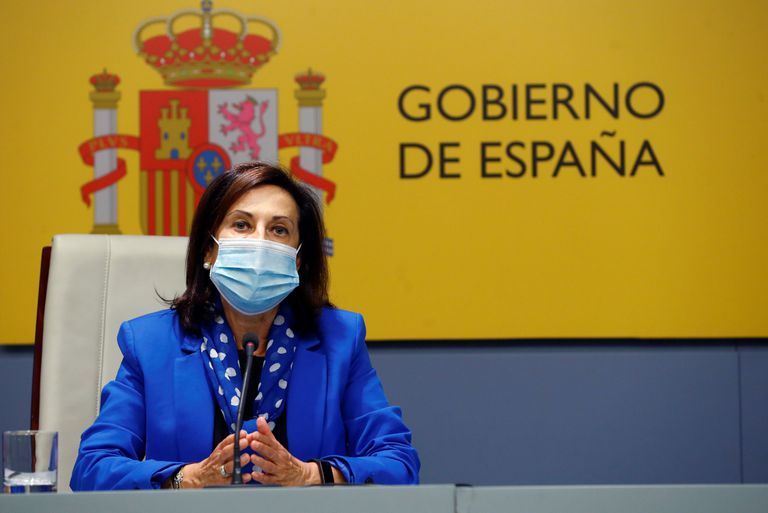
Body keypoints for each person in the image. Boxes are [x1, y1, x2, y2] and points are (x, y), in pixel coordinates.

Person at [70, 162, 420, 489]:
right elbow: (92, 468)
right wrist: (189, 477)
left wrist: (308, 474)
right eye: (242, 225)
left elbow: (399, 464)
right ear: (209, 250)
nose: (260, 241)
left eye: (279, 230)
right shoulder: (149, 343)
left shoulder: (340, 340)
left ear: (297, 261)